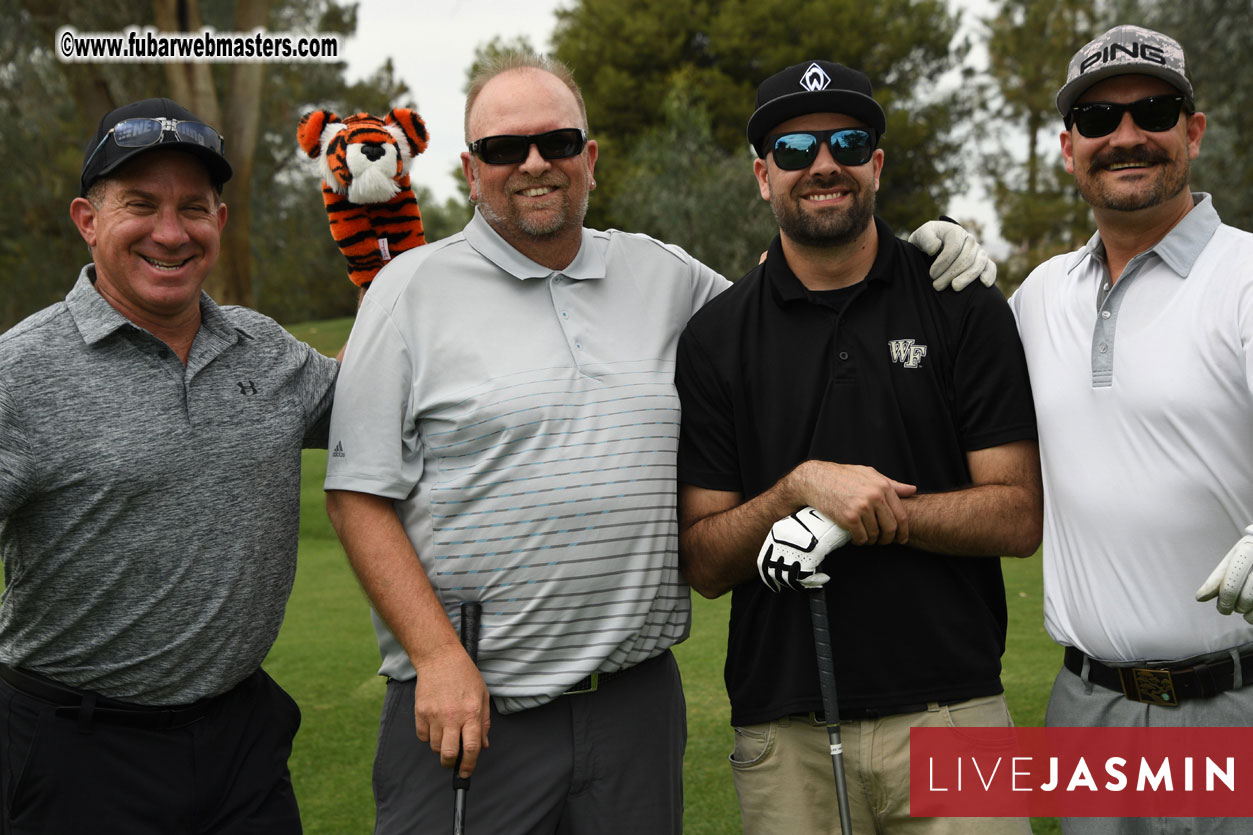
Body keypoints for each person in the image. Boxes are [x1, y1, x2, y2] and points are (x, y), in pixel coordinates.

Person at [323, 52, 993, 835]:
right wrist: (436, 658)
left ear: (590, 159)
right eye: (505, 149)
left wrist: (926, 248)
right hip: (470, 704)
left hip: (635, 705)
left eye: (558, 142)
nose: (535, 164)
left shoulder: (666, 277)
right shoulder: (407, 291)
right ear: (472, 170)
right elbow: (357, 497)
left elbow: (800, 301)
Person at [674, 59, 1042, 834]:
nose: (822, 165)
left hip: (954, 712)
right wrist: (799, 490)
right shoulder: (714, 338)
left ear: (874, 164)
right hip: (786, 730)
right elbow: (704, 560)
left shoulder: (959, 301)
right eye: (793, 151)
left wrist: (864, 514)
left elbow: (1015, 515)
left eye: (846, 141)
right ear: (760, 176)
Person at [0, 98, 338, 833]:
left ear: (218, 222)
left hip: (242, 741)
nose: (170, 231)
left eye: (193, 207)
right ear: (87, 220)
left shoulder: (265, 349)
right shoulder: (20, 371)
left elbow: (391, 408)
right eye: (141, 204)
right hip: (79, 753)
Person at [1007, 24, 1253, 834]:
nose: (1124, 137)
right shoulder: (1038, 294)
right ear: (1067, 146)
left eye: (1152, 110)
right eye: (1096, 120)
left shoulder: (1243, 276)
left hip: (1234, 706)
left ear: (1192, 130)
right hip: (1088, 710)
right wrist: (909, 273)